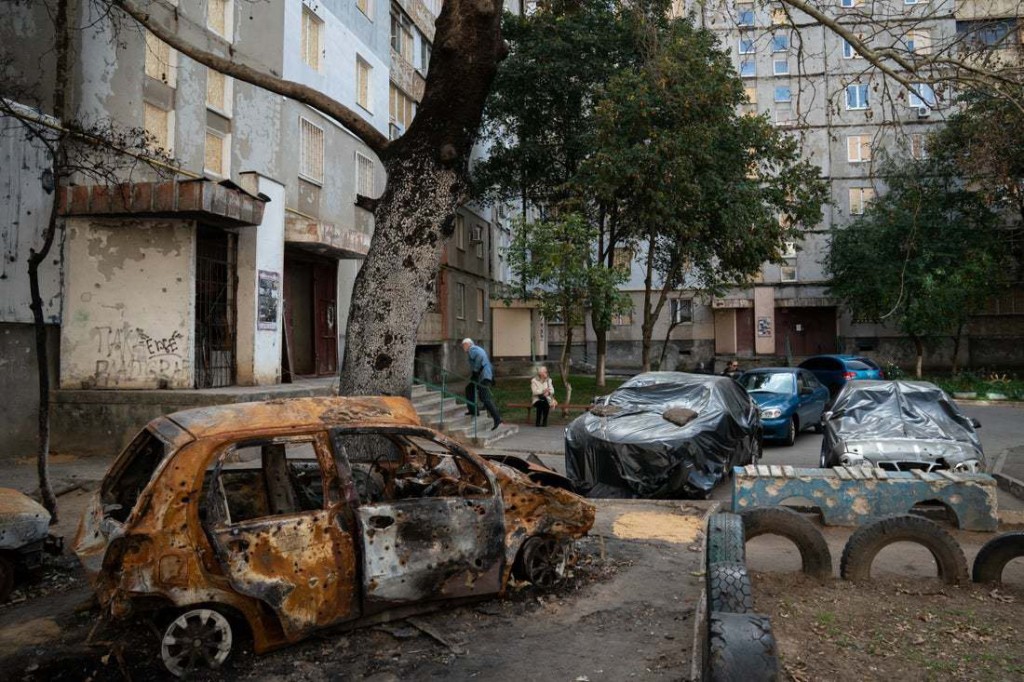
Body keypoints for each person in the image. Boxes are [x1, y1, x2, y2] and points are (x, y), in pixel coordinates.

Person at [462, 338, 502, 430]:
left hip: (482, 376)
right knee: (469, 389)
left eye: (464, 345)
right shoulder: (477, 349)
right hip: (484, 375)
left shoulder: (473, 349)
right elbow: (486, 361)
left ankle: (497, 418)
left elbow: (480, 357)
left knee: (484, 397)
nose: (463, 347)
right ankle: (473, 410)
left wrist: (475, 371)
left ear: (468, 344)